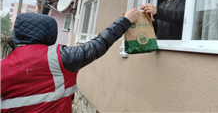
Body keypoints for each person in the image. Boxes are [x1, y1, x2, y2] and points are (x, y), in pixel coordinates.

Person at [0, 8, 138, 112]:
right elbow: (98, 44)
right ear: (51, 33)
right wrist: (125, 21)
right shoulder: (61, 57)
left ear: (17, 34)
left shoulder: (2, 66)